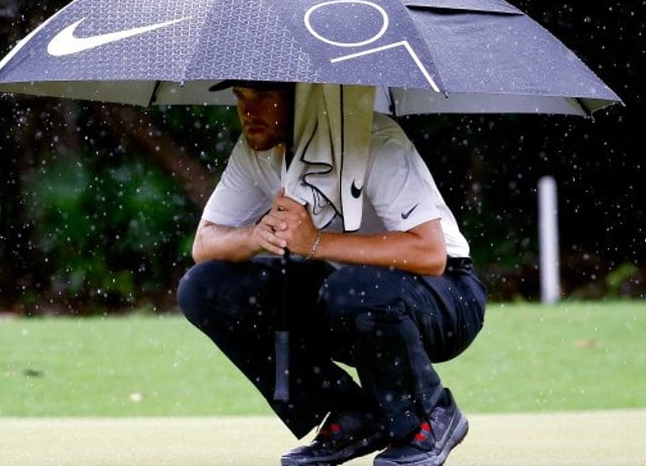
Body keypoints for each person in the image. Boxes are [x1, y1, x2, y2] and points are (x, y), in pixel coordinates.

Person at [177, 80, 487, 466]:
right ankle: (354, 415)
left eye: (264, 96)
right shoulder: (255, 147)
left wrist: (317, 243)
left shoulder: (374, 137)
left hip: (447, 295)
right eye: (241, 97)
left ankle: (431, 414)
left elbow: (430, 253)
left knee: (351, 288)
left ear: (304, 99)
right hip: (346, 296)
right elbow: (204, 244)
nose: (249, 111)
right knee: (203, 288)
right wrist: (255, 236)